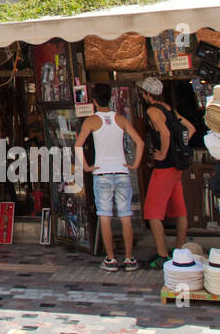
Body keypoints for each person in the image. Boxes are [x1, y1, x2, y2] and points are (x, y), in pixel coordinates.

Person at [74, 82, 144, 271]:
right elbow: (139, 141)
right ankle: (129, 259)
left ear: (94, 101)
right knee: (125, 215)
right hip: (121, 171)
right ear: (110, 99)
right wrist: (135, 164)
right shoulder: (120, 119)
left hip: (102, 172)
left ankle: (111, 259)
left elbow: (78, 145)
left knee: (104, 216)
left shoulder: (91, 121)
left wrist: (87, 166)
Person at [138, 77, 195, 270]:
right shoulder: (169, 109)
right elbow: (190, 129)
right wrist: (181, 148)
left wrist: (163, 152)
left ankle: (162, 253)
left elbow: (165, 133)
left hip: (164, 167)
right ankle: (180, 249)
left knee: (152, 211)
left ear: (147, 94)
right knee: (179, 209)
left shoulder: (152, 110)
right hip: (177, 166)